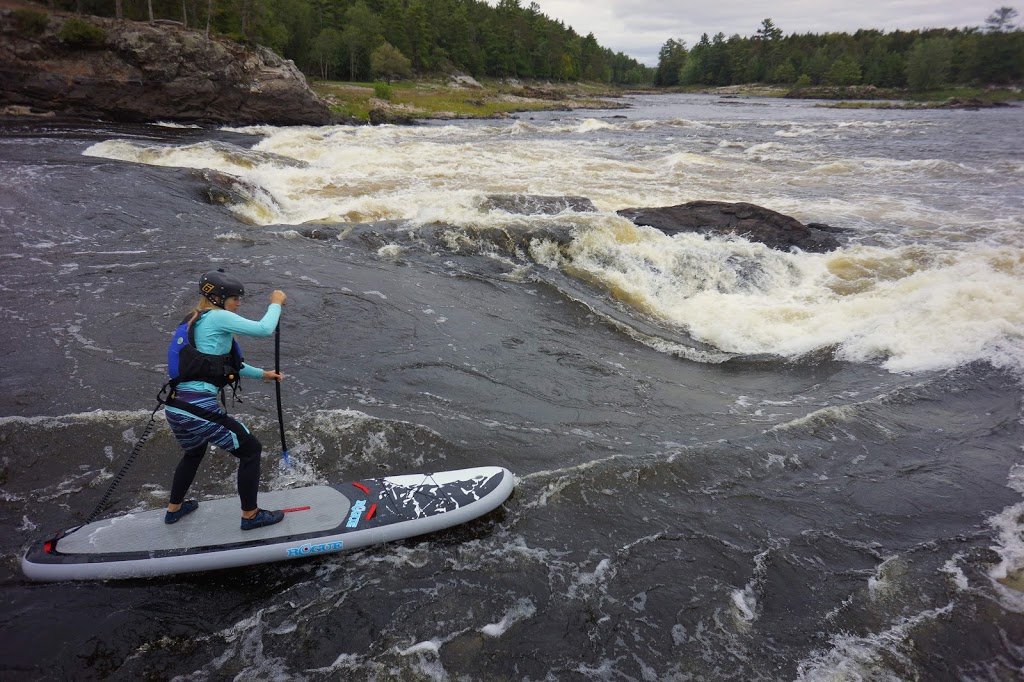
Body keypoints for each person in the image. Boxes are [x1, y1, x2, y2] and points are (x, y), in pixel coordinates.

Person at [163, 268, 288, 530]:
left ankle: (174, 509)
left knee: (194, 452)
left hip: (177, 406)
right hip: (198, 407)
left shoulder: (193, 319)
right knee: (251, 450)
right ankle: (251, 516)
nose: (239, 303)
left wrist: (262, 374)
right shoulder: (218, 317)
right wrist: (275, 303)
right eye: (234, 298)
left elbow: (222, 365)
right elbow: (264, 329)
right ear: (218, 298)